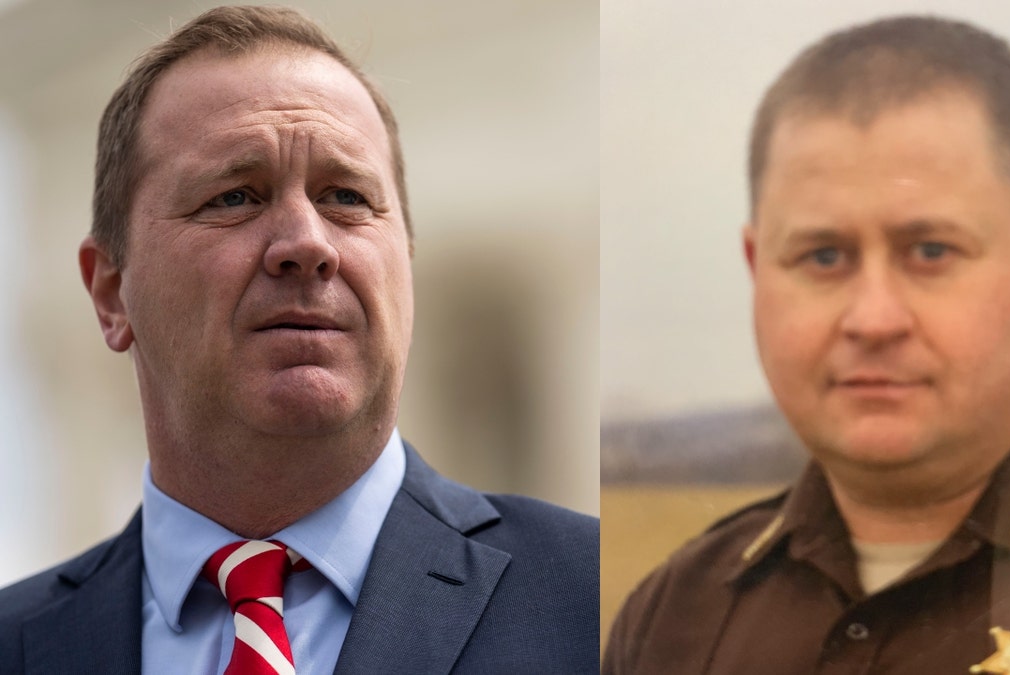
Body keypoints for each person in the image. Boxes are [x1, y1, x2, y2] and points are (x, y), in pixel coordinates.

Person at [0, 6, 597, 674]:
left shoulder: (605, 607)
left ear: (406, 263)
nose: (308, 244)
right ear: (111, 291)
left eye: (345, 195)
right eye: (235, 197)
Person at [604, 15, 1010, 674]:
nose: (874, 318)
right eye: (823, 254)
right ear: (757, 272)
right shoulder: (674, 619)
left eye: (930, 250)